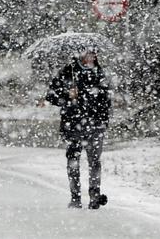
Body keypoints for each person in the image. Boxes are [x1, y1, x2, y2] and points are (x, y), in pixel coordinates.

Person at [44, 48, 111, 209]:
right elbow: (51, 96)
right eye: (88, 54)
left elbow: (106, 100)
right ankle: (76, 197)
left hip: (95, 125)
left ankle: (95, 195)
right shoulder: (68, 72)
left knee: (94, 161)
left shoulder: (99, 74)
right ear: (80, 56)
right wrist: (67, 95)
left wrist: (103, 120)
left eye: (94, 54)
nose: (92, 57)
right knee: (73, 160)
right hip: (73, 125)